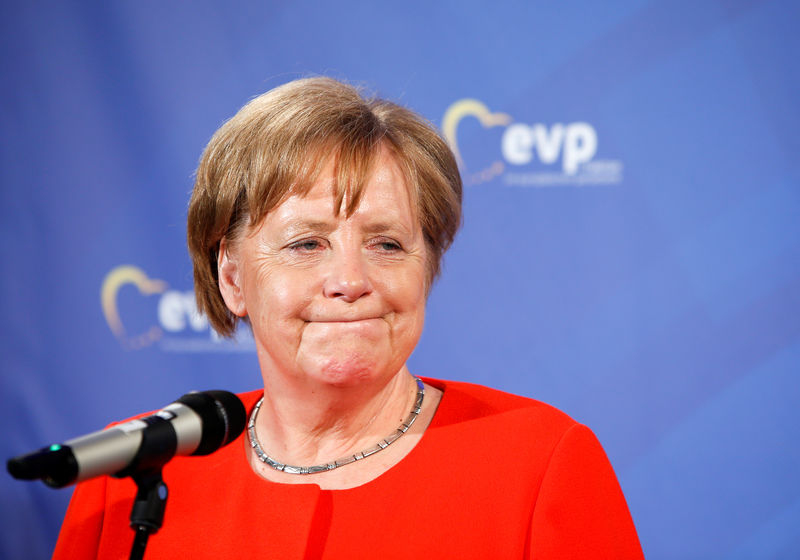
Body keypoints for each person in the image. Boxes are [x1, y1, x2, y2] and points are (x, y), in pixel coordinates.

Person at [54, 77, 644, 558]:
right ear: (232, 277)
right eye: (306, 244)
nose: (350, 281)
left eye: (386, 244)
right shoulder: (133, 466)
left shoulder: (539, 464)